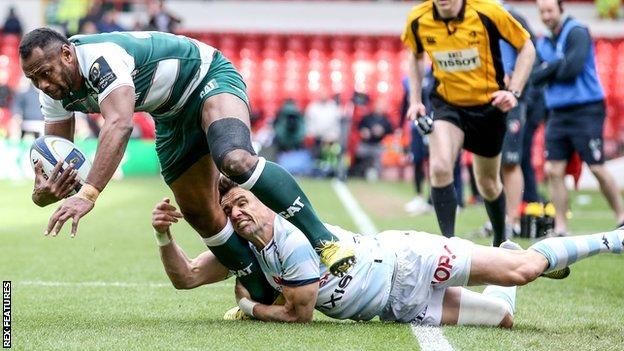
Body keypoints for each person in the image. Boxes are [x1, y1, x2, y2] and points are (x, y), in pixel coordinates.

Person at [19, 28, 355, 307]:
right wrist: (47, 194)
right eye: (34, 79)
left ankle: (324, 241)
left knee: (234, 160)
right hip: (169, 115)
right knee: (197, 212)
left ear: (66, 54)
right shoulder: (54, 92)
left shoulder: (99, 59)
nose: (43, 85)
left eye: (45, 73)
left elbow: (120, 124)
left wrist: (89, 194)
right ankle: (260, 288)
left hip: (207, 78)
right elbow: (59, 156)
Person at [152, 178, 620, 326]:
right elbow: (187, 277)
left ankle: (614, 238)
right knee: (504, 320)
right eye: (229, 210)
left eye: (243, 202)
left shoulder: (290, 238)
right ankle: (506, 253)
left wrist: (249, 306)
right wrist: (164, 237)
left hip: (405, 262)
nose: (238, 214)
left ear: (261, 198)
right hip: (395, 307)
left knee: (523, 271)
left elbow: (300, 316)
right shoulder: (249, 249)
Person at [401, 0, 535, 246]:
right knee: (440, 168)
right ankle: (449, 248)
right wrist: (415, 100)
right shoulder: (418, 19)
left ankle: (499, 239)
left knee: (488, 183)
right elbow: (415, 55)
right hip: (447, 105)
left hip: (488, 107)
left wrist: (514, 91)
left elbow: (527, 47)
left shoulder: (488, 12)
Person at [533, 0, 624, 235]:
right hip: (557, 113)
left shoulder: (577, 32)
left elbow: (571, 69)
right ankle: (561, 227)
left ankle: (622, 216)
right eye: (542, 11)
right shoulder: (543, 41)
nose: (546, 16)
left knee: (596, 167)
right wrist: (555, 66)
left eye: (550, 10)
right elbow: (534, 76)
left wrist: (548, 69)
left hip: (586, 110)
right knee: (553, 170)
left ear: (561, 9)